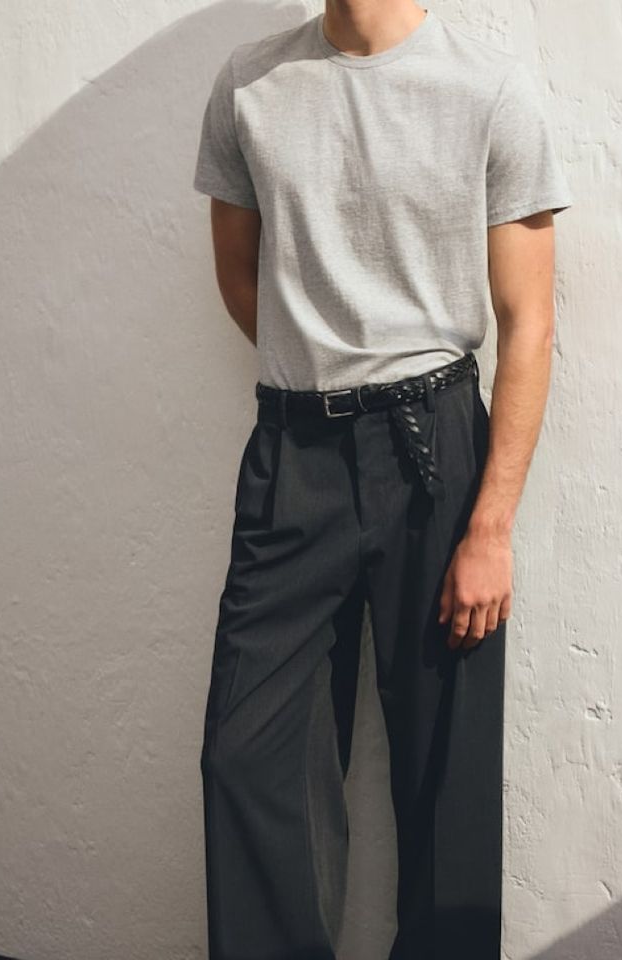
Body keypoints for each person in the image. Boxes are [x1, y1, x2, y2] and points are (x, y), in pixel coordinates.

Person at [192, 2, 572, 957]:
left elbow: (530, 324)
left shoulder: (488, 89)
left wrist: (491, 528)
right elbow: (239, 277)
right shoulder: (249, 85)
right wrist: (323, 366)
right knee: (246, 754)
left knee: (447, 772)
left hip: (433, 451)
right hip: (293, 453)